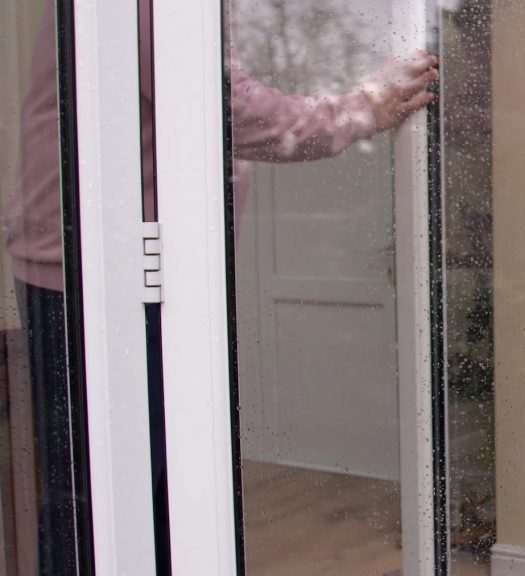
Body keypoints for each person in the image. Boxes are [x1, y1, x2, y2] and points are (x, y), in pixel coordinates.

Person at [3, 5, 437, 573]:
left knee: (150, 476)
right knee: (100, 488)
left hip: (136, 266)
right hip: (94, 275)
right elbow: (227, 107)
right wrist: (362, 108)